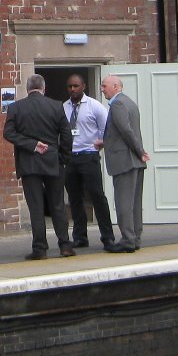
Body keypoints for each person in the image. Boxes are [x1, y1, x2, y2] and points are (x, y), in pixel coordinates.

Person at [3, 73, 75, 260]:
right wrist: (63, 158)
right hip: (53, 161)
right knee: (57, 204)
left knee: (36, 207)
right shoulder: (56, 106)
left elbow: (8, 134)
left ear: (27, 89)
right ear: (43, 88)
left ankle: (40, 248)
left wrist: (31, 145)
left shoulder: (16, 108)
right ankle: (65, 245)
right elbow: (66, 135)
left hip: (29, 163)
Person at [97, 74, 149, 252]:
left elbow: (126, 131)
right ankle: (135, 238)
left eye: (104, 86)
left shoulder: (117, 104)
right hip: (135, 161)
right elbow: (122, 132)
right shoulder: (130, 102)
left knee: (123, 203)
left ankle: (127, 240)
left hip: (125, 160)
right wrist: (104, 142)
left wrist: (140, 151)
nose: (102, 89)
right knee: (135, 204)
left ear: (116, 86)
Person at [63, 75, 114, 250]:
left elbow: (108, 127)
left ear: (83, 86)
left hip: (89, 155)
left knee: (97, 196)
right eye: (70, 86)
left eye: (76, 86)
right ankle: (79, 237)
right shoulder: (64, 107)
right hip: (71, 157)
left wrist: (101, 142)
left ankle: (107, 236)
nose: (73, 89)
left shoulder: (94, 106)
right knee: (75, 198)